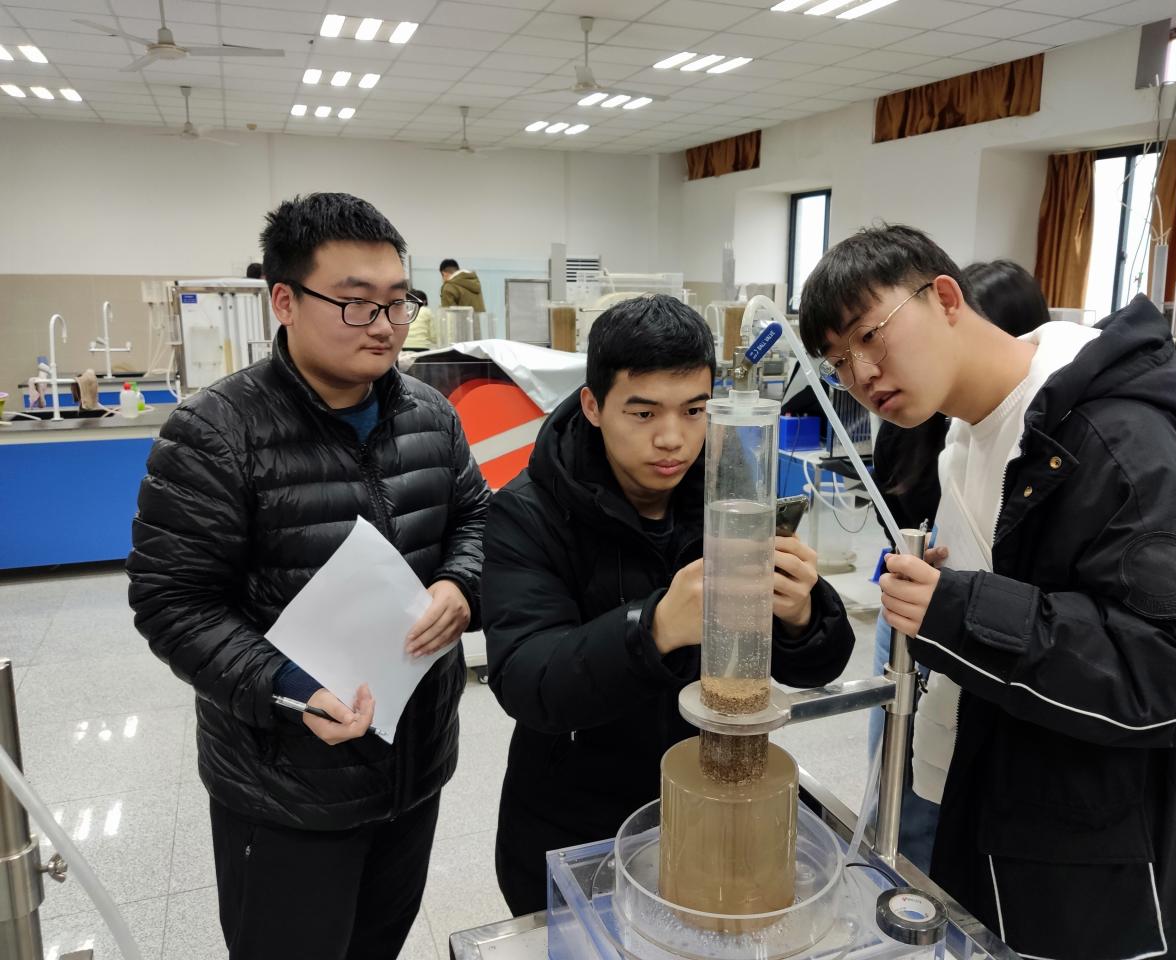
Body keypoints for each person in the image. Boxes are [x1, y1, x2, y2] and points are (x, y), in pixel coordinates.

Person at [800, 223, 1176, 959]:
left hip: (1134, 851)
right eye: (837, 362)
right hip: (1033, 806)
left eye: (870, 335)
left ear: (946, 298)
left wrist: (962, 610)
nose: (860, 374)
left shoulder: (1111, 437)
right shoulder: (967, 439)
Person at [128, 192, 490, 960]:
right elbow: (173, 602)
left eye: (398, 303)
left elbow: (477, 521)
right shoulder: (215, 433)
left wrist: (462, 584)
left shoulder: (432, 415)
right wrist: (287, 686)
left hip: (414, 765)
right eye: (356, 304)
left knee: (378, 943)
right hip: (286, 787)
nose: (385, 325)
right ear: (284, 301)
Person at [481, 294, 856, 916]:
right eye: (644, 412)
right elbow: (526, 680)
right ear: (593, 406)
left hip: (716, 808)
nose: (673, 439)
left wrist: (802, 616)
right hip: (574, 824)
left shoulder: (728, 491)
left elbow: (818, 665)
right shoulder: (528, 514)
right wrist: (651, 629)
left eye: (694, 410)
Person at [865, 258, 1050, 871]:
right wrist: (913, 557)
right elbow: (894, 505)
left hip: (978, 627)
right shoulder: (918, 421)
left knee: (944, 793)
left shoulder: (1029, 433)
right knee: (895, 762)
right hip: (911, 605)